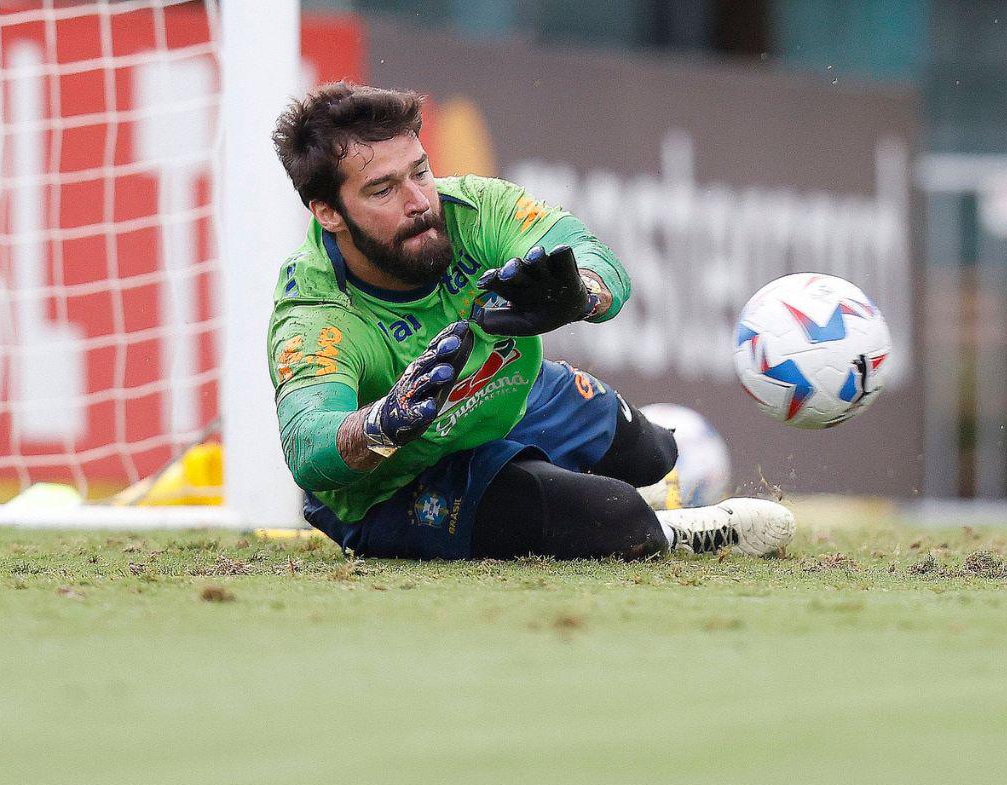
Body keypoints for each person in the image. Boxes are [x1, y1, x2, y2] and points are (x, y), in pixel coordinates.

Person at [268, 82, 794, 561]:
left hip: (509, 393)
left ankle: (590, 492)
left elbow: (600, 262)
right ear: (328, 212)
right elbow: (310, 449)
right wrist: (383, 422)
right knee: (615, 516)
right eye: (383, 190)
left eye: (420, 171)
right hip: (401, 480)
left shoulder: (475, 209)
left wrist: (579, 294)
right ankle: (667, 531)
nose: (419, 201)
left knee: (654, 454)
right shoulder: (315, 313)